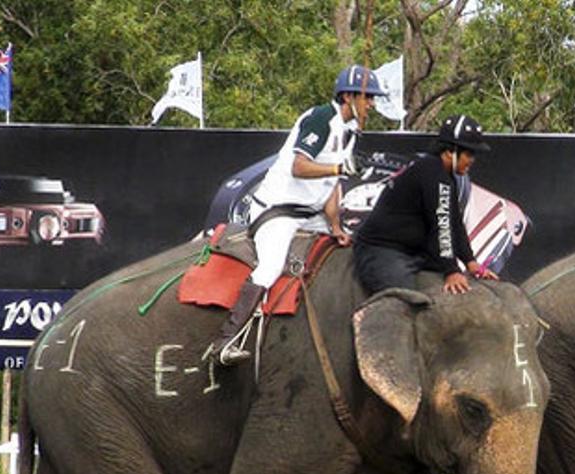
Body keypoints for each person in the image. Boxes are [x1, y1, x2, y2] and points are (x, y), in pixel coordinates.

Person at [213, 64, 386, 366]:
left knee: (338, 252)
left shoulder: (350, 133)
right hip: (276, 210)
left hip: (310, 214)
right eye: (367, 97)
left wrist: (334, 225)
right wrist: (340, 168)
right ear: (347, 96)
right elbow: (300, 167)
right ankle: (226, 342)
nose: (371, 103)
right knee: (270, 267)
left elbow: (332, 187)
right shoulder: (321, 119)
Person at [353, 114, 498, 295]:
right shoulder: (432, 173)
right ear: (450, 151)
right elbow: (442, 226)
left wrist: (470, 261)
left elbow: (454, 223)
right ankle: (365, 320)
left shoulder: (446, 176)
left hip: (414, 252)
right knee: (403, 302)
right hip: (383, 250)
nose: (472, 160)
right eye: (469, 154)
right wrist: (451, 270)